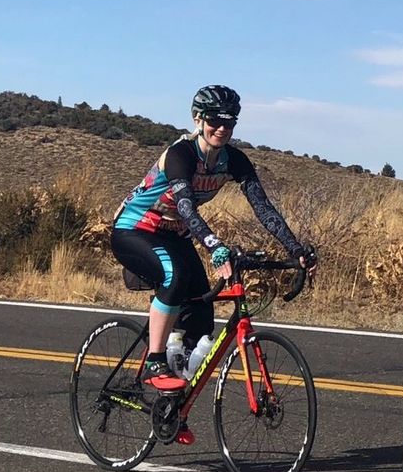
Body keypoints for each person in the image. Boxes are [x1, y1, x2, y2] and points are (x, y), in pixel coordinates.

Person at [111, 85, 315, 427]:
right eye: (214, 121)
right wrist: (214, 245)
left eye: (229, 122)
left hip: (174, 235)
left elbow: (263, 208)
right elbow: (186, 207)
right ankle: (155, 360)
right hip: (134, 230)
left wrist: (295, 249)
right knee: (174, 277)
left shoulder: (233, 160)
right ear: (198, 119)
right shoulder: (181, 154)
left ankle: (171, 410)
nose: (222, 128)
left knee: (202, 315)